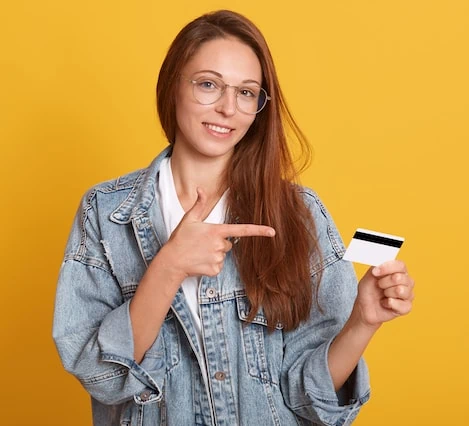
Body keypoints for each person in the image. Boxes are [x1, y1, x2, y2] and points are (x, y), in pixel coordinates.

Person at [53, 10, 415, 426]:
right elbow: (100, 373)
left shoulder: (299, 214)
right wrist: (168, 268)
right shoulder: (105, 213)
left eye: (246, 93)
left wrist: (362, 323)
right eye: (209, 85)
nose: (228, 108)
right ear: (173, 86)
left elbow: (309, 399)